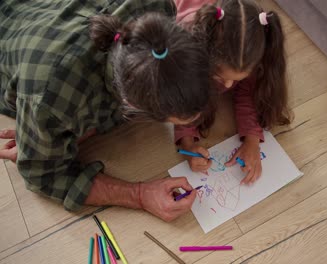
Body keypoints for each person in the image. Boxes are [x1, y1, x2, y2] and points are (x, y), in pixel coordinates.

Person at [0, 0, 210, 222]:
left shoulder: (159, 7)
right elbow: (44, 174)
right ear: (131, 105)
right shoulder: (52, 98)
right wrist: (140, 195)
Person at [174, 0, 292, 184]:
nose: (228, 86)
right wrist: (187, 143)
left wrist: (252, 139)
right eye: (220, 77)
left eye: (237, 79)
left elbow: (247, 93)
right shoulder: (187, 53)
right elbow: (180, 100)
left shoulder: (249, 48)